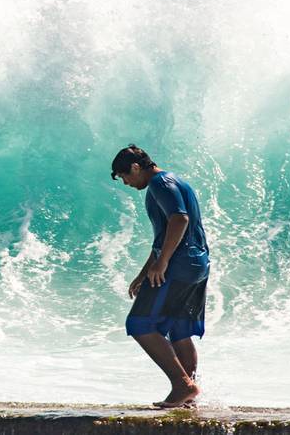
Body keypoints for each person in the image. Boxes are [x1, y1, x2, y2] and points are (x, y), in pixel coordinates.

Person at [111, 144, 210, 408]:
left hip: (178, 265)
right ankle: (187, 397)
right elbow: (164, 235)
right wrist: (146, 271)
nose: (127, 183)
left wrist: (163, 262)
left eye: (125, 177)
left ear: (135, 167)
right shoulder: (173, 180)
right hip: (196, 264)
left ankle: (183, 386)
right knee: (178, 329)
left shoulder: (160, 184)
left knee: (141, 324)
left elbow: (179, 220)